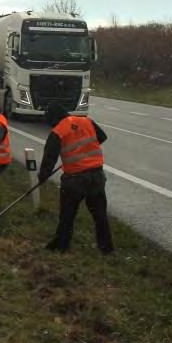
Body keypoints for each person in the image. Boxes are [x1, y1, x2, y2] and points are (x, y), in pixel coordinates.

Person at [39, 103, 113, 254]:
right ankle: (106, 248)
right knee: (99, 214)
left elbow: (49, 159)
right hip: (97, 176)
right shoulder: (86, 121)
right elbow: (102, 137)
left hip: (75, 179)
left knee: (67, 214)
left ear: (53, 119)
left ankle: (61, 245)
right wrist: (85, 150)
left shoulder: (58, 132)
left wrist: (42, 178)